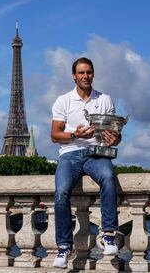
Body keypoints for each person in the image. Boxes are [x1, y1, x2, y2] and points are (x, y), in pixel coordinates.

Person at [50, 57, 121, 268]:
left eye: (88, 72)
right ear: (74, 75)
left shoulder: (105, 99)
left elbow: (116, 134)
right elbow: (54, 135)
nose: (85, 76)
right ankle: (64, 247)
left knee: (108, 177)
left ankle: (108, 233)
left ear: (93, 74)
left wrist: (114, 139)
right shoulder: (63, 100)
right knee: (61, 192)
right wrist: (75, 134)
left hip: (96, 153)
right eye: (81, 73)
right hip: (70, 153)